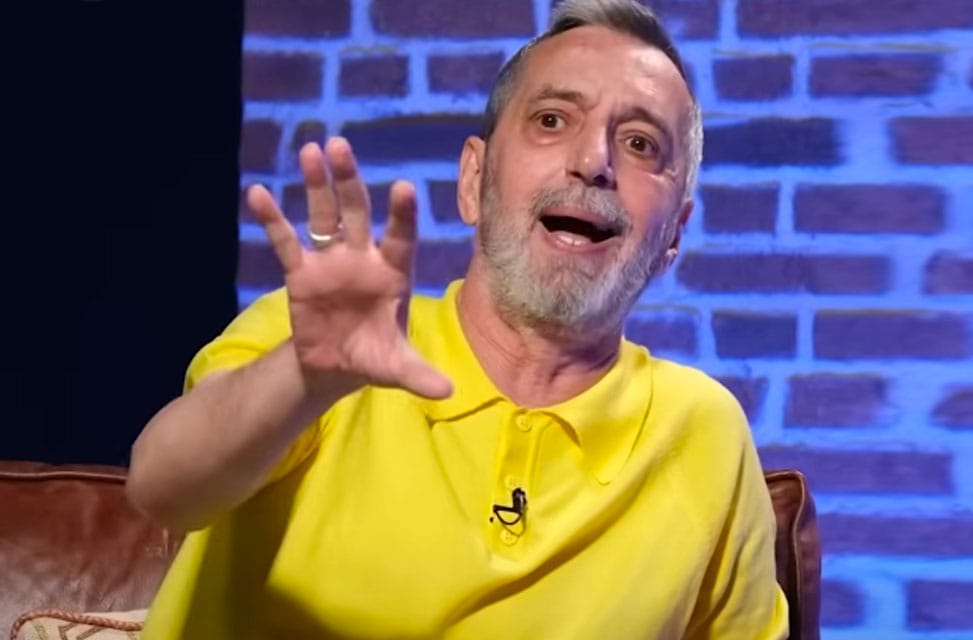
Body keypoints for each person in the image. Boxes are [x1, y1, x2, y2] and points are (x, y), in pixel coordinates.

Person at [127, 0, 789, 637]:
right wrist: (307, 378)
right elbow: (164, 490)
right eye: (552, 120)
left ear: (674, 234)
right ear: (474, 180)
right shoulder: (321, 345)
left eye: (641, 143)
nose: (594, 162)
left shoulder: (702, 435)